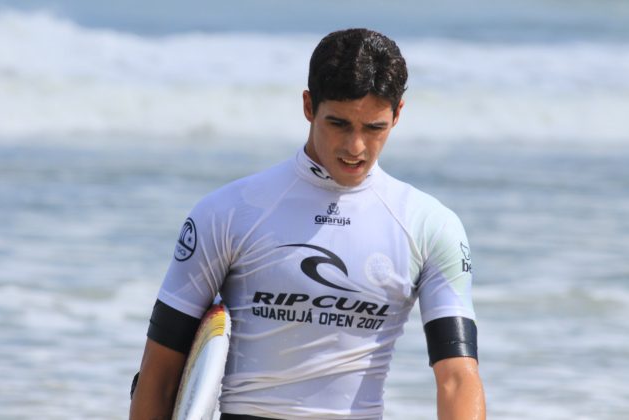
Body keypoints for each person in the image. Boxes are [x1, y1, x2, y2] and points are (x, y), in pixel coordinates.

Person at [129, 28, 486, 420]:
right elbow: (159, 372)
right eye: (338, 124)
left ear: (398, 114)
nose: (355, 147)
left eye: (374, 128)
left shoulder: (429, 226)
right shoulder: (229, 212)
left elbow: (457, 378)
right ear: (308, 106)